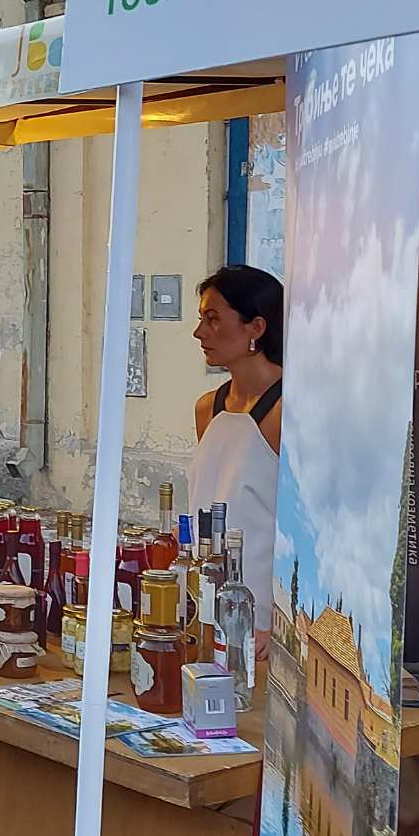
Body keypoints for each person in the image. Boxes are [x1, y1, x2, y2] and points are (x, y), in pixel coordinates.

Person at [188, 264, 284, 657]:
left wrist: (279, 623)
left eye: (213, 319)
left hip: (261, 625)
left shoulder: (288, 412)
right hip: (204, 606)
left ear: (256, 327)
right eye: (201, 320)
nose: (200, 333)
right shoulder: (207, 409)